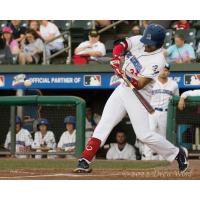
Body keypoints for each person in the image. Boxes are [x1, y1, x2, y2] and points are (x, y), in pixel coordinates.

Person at [74, 24, 188, 173]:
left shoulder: (158, 60)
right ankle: (85, 159)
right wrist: (116, 58)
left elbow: (140, 84)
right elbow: (121, 45)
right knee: (104, 124)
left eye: (150, 44)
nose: (146, 45)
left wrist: (123, 72)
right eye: (146, 42)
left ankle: (177, 154)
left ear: (159, 43)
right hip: (122, 89)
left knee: (144, 135)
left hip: (138, 94)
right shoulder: (141, 40)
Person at [141, 65, 179, 160]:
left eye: (166, 70)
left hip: (166, 113)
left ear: (169, 72)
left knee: (163, 136)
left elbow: (176, 99)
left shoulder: (173, 84)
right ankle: (147, 158)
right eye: (162, 70)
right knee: (150, 133)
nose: (164, 72)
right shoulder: (151, 81)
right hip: (152, 112)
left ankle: (163, 159)